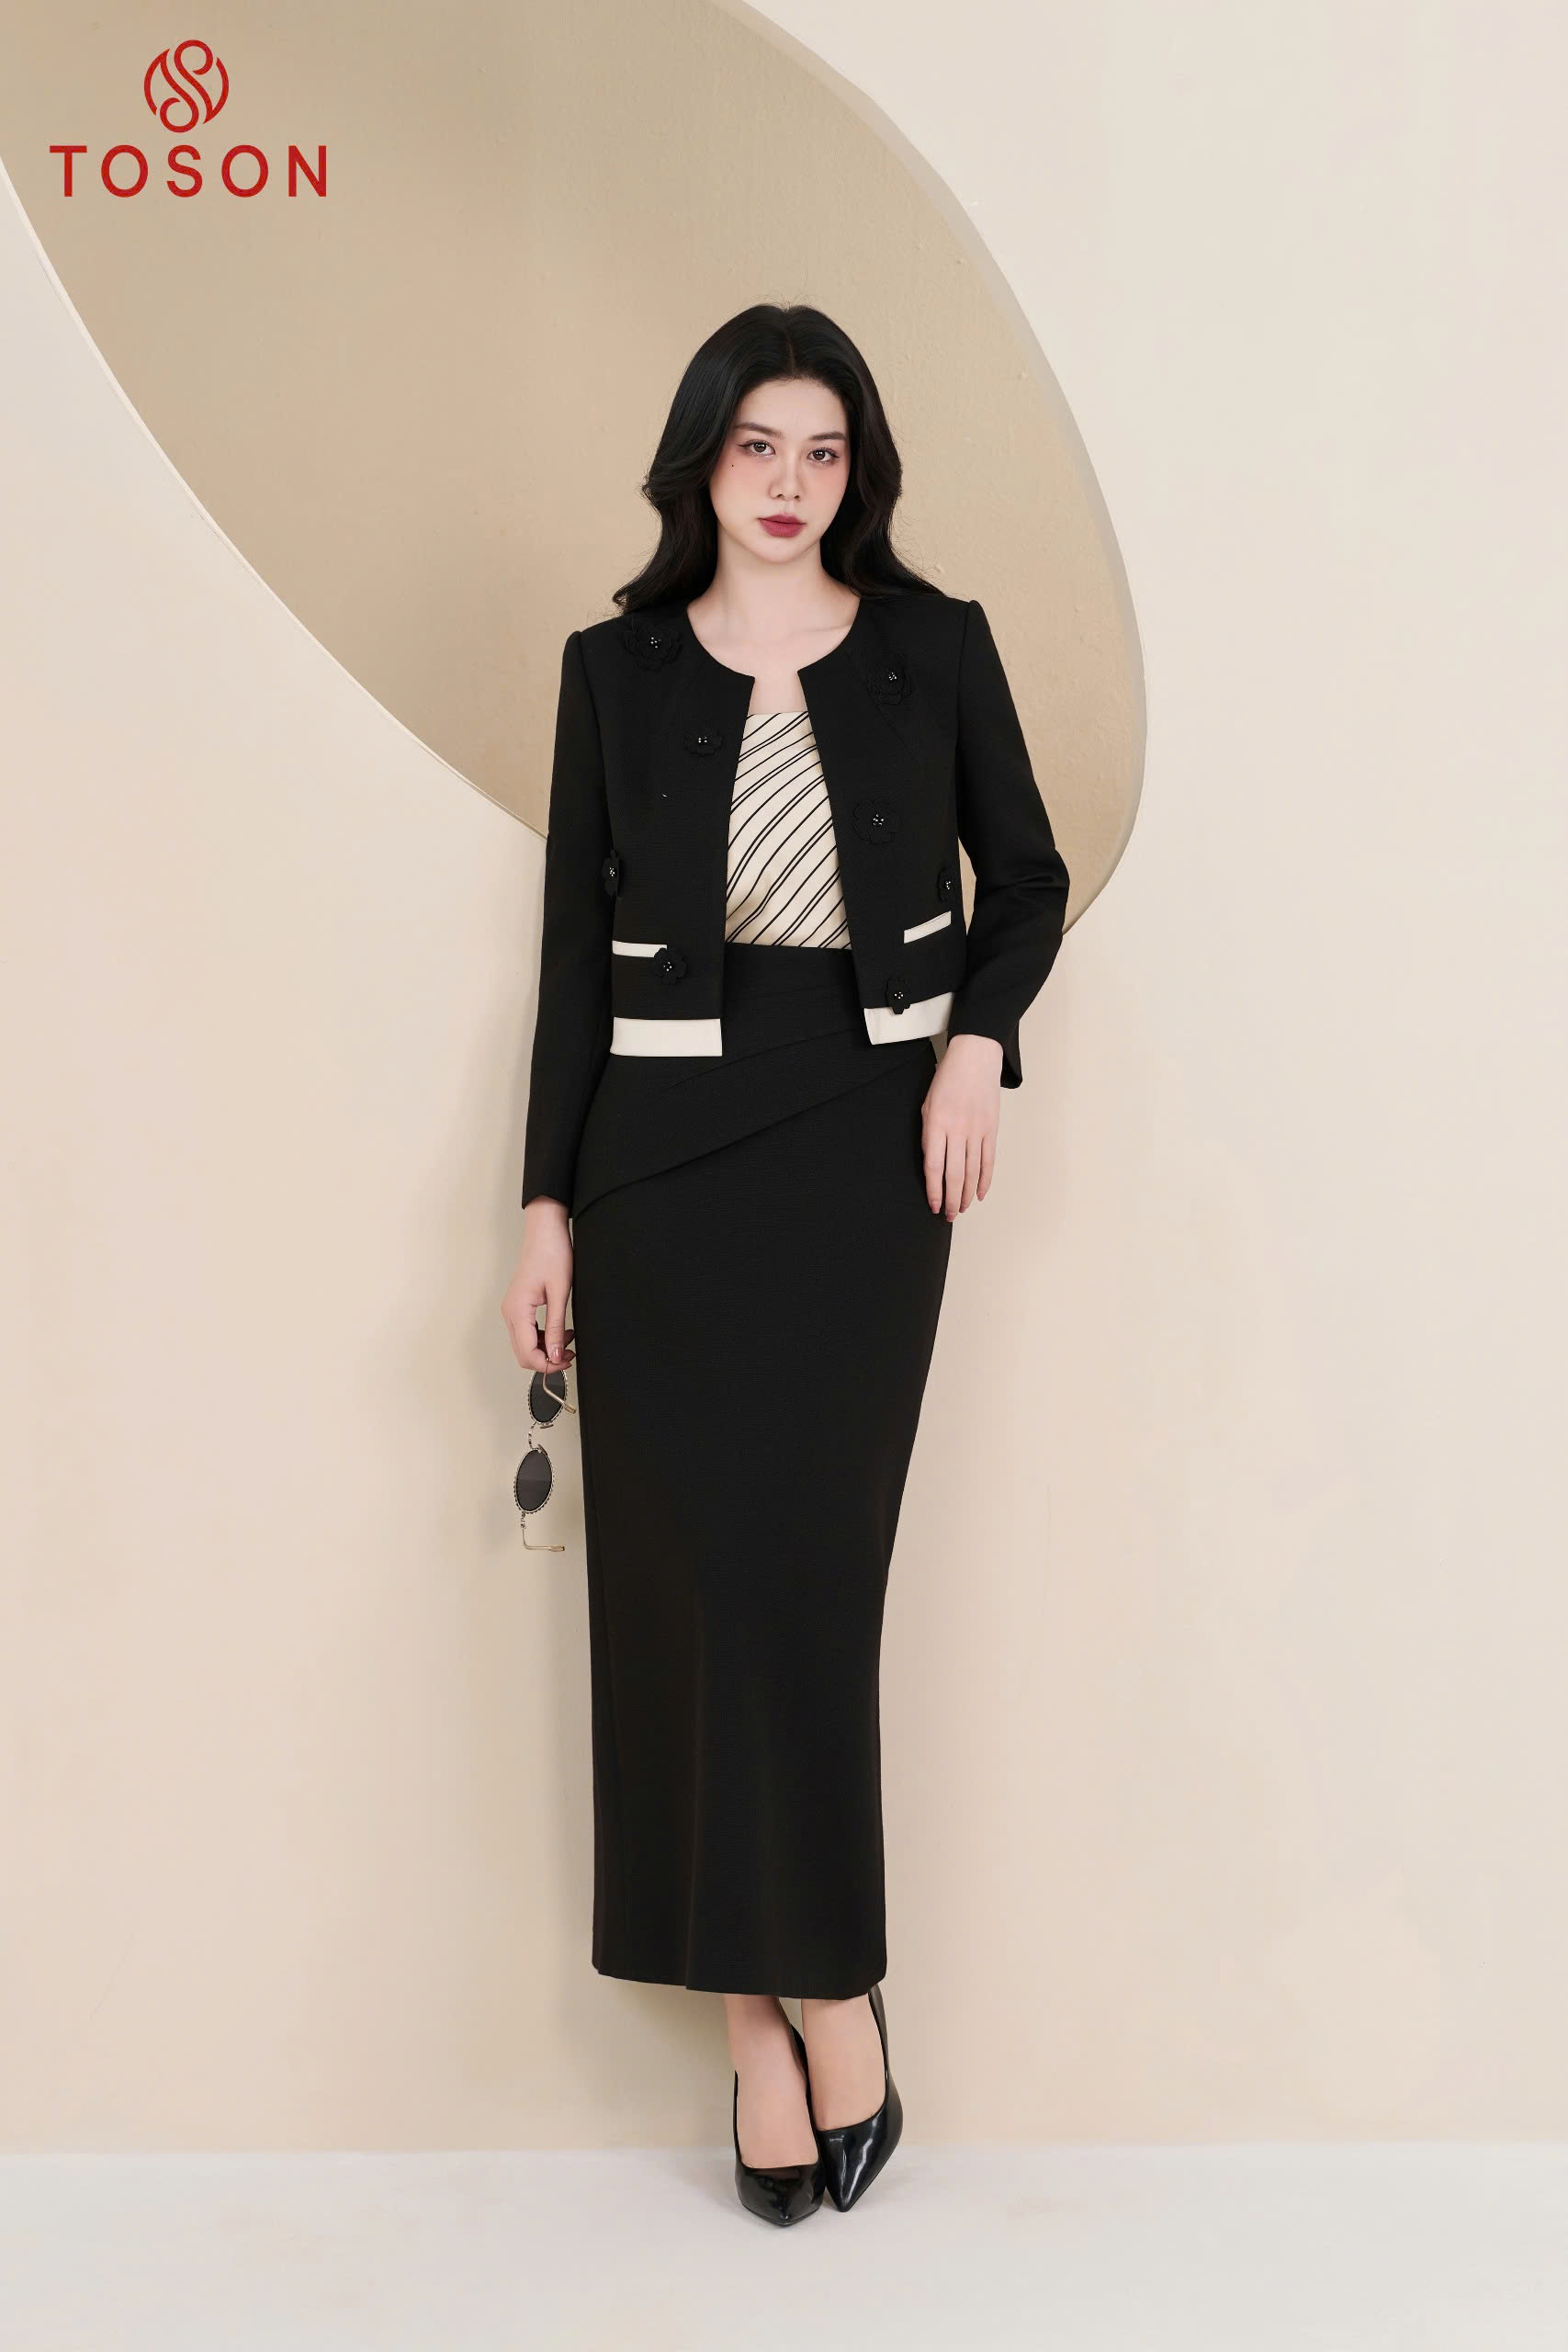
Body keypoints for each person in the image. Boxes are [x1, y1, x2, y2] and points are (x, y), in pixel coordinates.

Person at [502, 302, 1071, 2225]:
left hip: (864, 1151)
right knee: (683, 1600)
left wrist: (974, 1046)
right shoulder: (613, 668)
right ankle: (776, 2017)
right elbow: (571, 961)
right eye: (758, 446)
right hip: (654, 1170)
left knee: (806, 1586)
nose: (789, 483)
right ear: (703, 458)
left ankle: (824, 1976)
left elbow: (1027, 880)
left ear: (858, 474)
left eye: (823, 452)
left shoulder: (935, 648)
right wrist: (543, 1204)